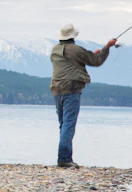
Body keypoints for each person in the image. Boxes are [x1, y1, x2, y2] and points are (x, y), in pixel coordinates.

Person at [50, 23, 117, 169]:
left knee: (63, 124)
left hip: (56, 90)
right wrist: (107, 47)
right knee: (69, 124)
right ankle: (64, 159)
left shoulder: (54, 50)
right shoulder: (76, 49)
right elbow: (96, 61)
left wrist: (91, 55)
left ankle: (65, 157)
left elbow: (71, 61)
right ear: (73, 36)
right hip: (72, 90)